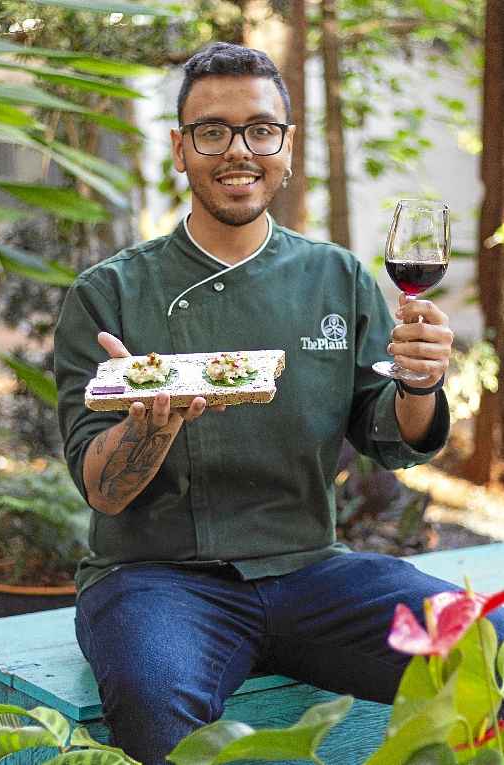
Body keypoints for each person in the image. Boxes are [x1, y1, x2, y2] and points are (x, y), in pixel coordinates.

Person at [54, 42, 504, 765]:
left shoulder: (334, 275)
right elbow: (102, 490)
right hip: (158, 580)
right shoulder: (106, 295)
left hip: (311, 570)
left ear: (287, 147)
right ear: (179, 148)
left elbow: (389, 435)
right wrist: (150, 424)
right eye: (212, 130)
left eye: (261, 129)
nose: (240, 150)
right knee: (152, 699)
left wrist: (419, 383)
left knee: (488, 642)